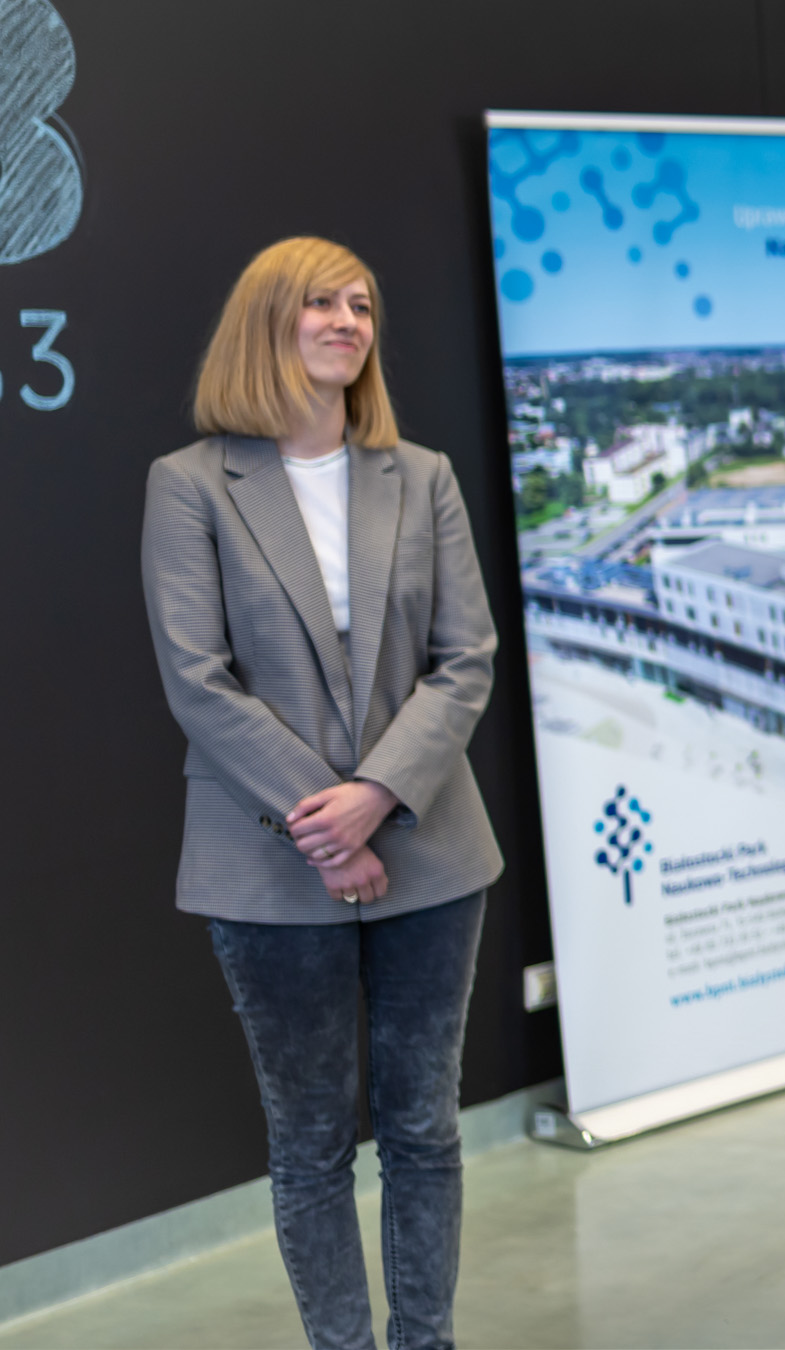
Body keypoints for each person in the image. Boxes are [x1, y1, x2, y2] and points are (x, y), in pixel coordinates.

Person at [142, 237, 501, 1350]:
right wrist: (331, 820)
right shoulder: (189, 484)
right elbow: (198, 680)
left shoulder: (422, 476)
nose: (349, 320)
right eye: (321, 303)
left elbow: (467, 658)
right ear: (266, 320)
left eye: (362, 305)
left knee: (425, 1131)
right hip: (268, 860)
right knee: (309, 1148)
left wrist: (378, 795)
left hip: (429, 851)